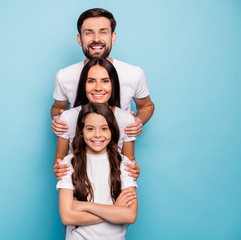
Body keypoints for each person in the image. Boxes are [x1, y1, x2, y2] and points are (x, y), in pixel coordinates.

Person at [51, 8, 154, 137]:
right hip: (77, 154)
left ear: (113, 37)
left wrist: (138, 121)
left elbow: (146, 105)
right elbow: (57, 107)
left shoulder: (134, 73)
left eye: (103, 32)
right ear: (79, 39)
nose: (96, 39)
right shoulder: (64, 75)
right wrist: (57, 119)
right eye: (88, 33)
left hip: (120, 154)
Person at [57, 102, 138, 240]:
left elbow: (129, 216)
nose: (97, 135)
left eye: (104, 128)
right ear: (81, 132)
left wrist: (84, 206)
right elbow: (67, 217)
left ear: (112, 131)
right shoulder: (69, 163)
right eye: (90, 129)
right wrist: (114, 211)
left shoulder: (124, 163)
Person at [54, 58, 140, 181]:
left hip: (114, 188)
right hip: (78, 188)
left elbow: (130, 163)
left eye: (105, 81)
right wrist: (59, 168)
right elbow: (59, 160)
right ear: (84, 84)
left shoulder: (126, 120)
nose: (98, 88)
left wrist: (133, 170)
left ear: (113, 84)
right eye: (91, 81)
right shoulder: (68, 118)